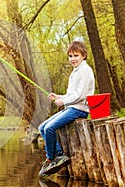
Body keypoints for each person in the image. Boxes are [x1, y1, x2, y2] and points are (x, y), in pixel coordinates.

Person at [38, 41, 95, 177]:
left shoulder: (85, 70)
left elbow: (80, 95)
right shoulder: (75, 72)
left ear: (83, 55)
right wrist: (59, 96)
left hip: (79, 109)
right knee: (42, 127)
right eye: (70, 56)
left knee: (49, 128)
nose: (73, 59)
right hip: (71, 107)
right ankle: (58, 155)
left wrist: (63, 101)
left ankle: (52, 158)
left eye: (76, 55)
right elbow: (72, 94)